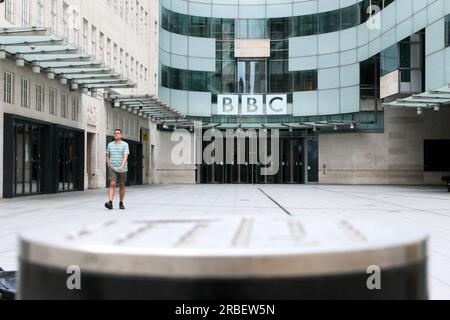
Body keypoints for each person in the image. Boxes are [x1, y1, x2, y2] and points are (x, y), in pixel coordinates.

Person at [105, 129, 129, 210]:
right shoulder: (110, 145)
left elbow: (125, 156)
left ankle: (121, 202)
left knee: (122, 185)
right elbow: (107, 155)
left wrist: (122, 165)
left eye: (118, 133)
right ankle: (110, 202)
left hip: (122, 168)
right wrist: (108, 164)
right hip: (113, 168)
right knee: (112, 184)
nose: (116, 134)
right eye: (115, 133)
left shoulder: (125, 144)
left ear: (121, 135)